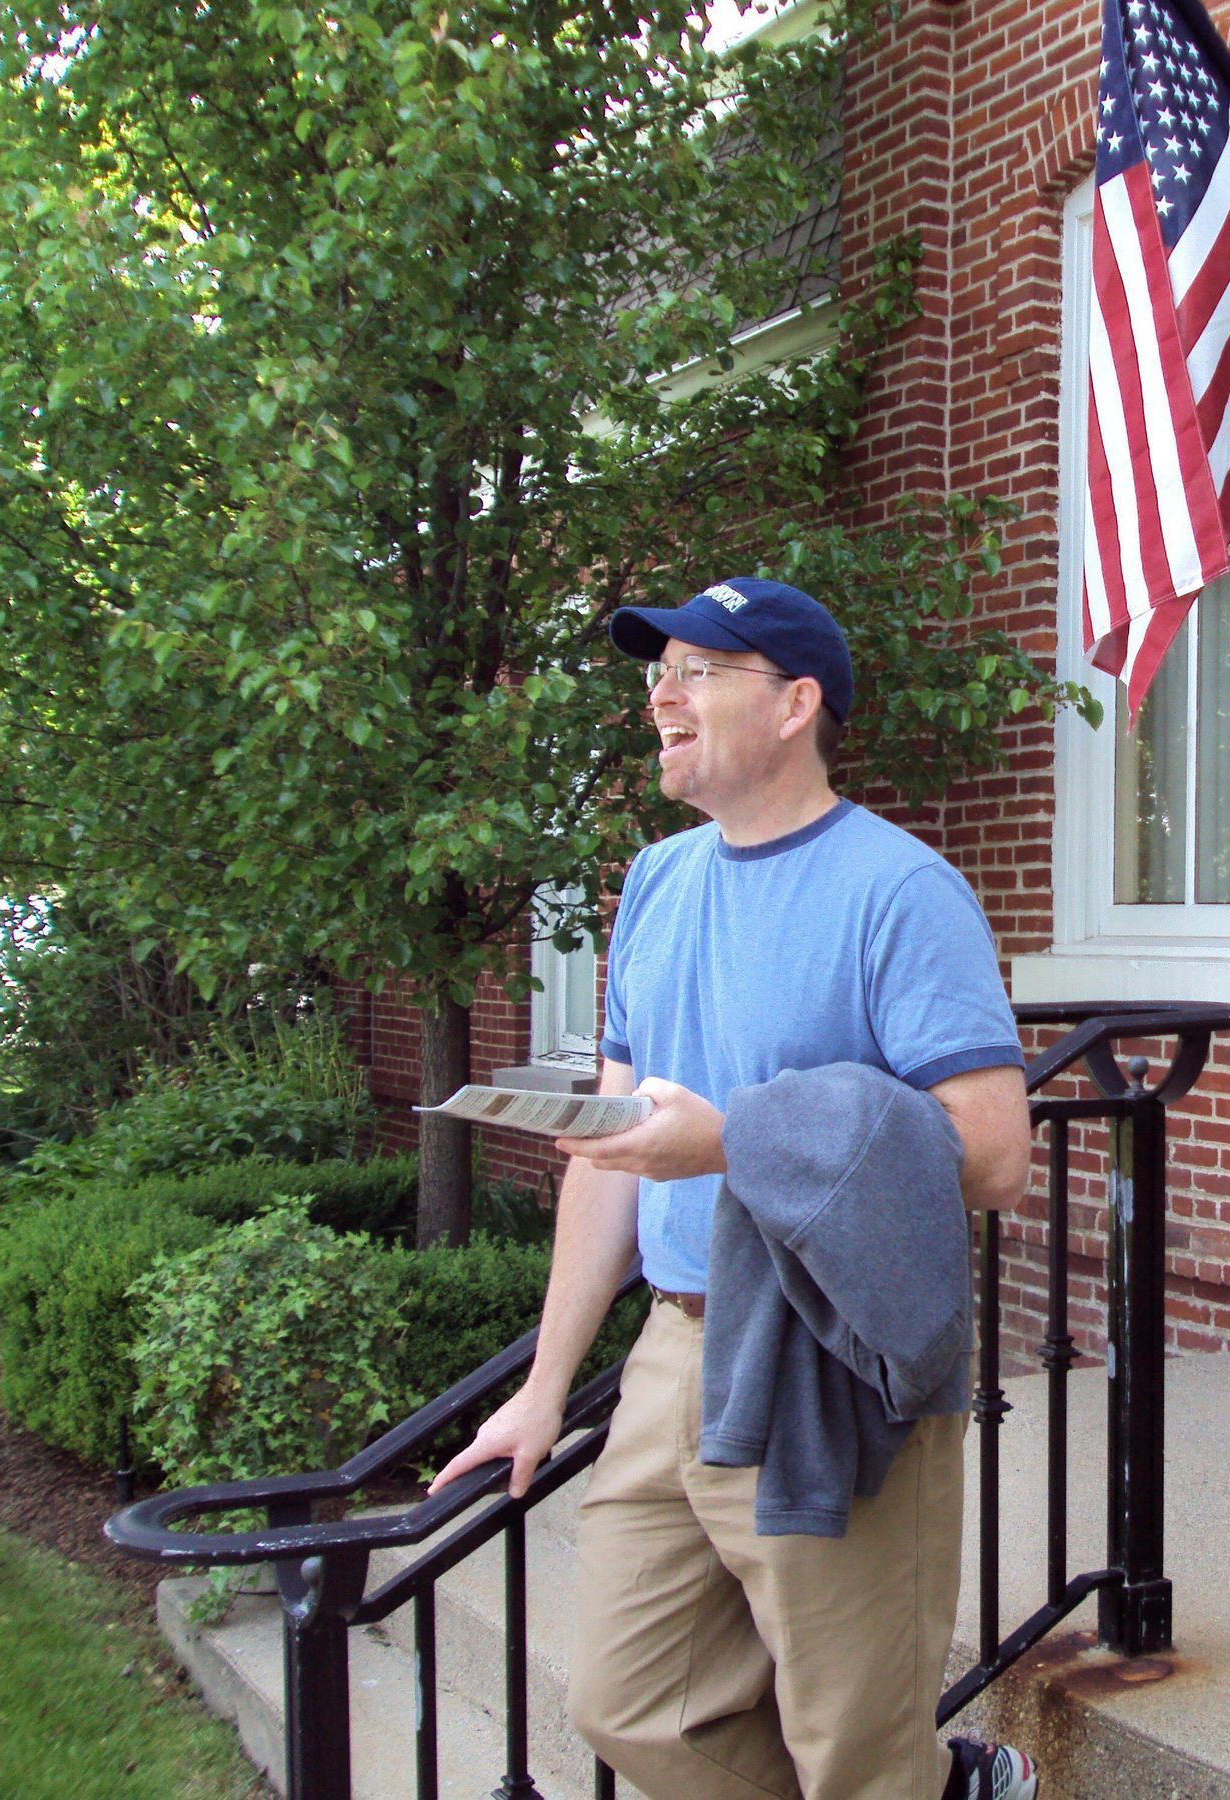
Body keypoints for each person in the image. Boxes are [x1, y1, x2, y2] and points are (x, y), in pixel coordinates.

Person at [431, 577, 1040, 1800]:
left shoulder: (901, 890)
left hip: (831, 1359)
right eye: (659, 673)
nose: (661, 697)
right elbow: (608, 1155)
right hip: (672, 1349)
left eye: (698, 671)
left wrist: (733, 1141)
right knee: (631, 1704)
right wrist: (544, 1388)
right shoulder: (657, 882)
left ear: (794, 704)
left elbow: (992, 1155)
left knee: (857, 1752)